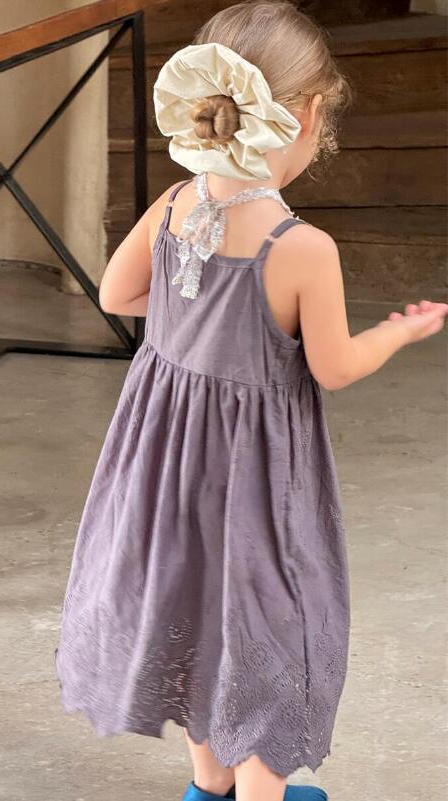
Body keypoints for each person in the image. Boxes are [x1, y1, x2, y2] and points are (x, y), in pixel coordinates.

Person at [53, 2, 448, 800]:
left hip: (164, 463)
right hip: (258, 478)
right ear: (308, 114)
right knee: (269, 621)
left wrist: (192, 320)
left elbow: (116, 293)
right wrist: (399, 331)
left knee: (196, 608)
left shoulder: (176, 203)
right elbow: (334, 367)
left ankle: (209, 786)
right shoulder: (301, 248)